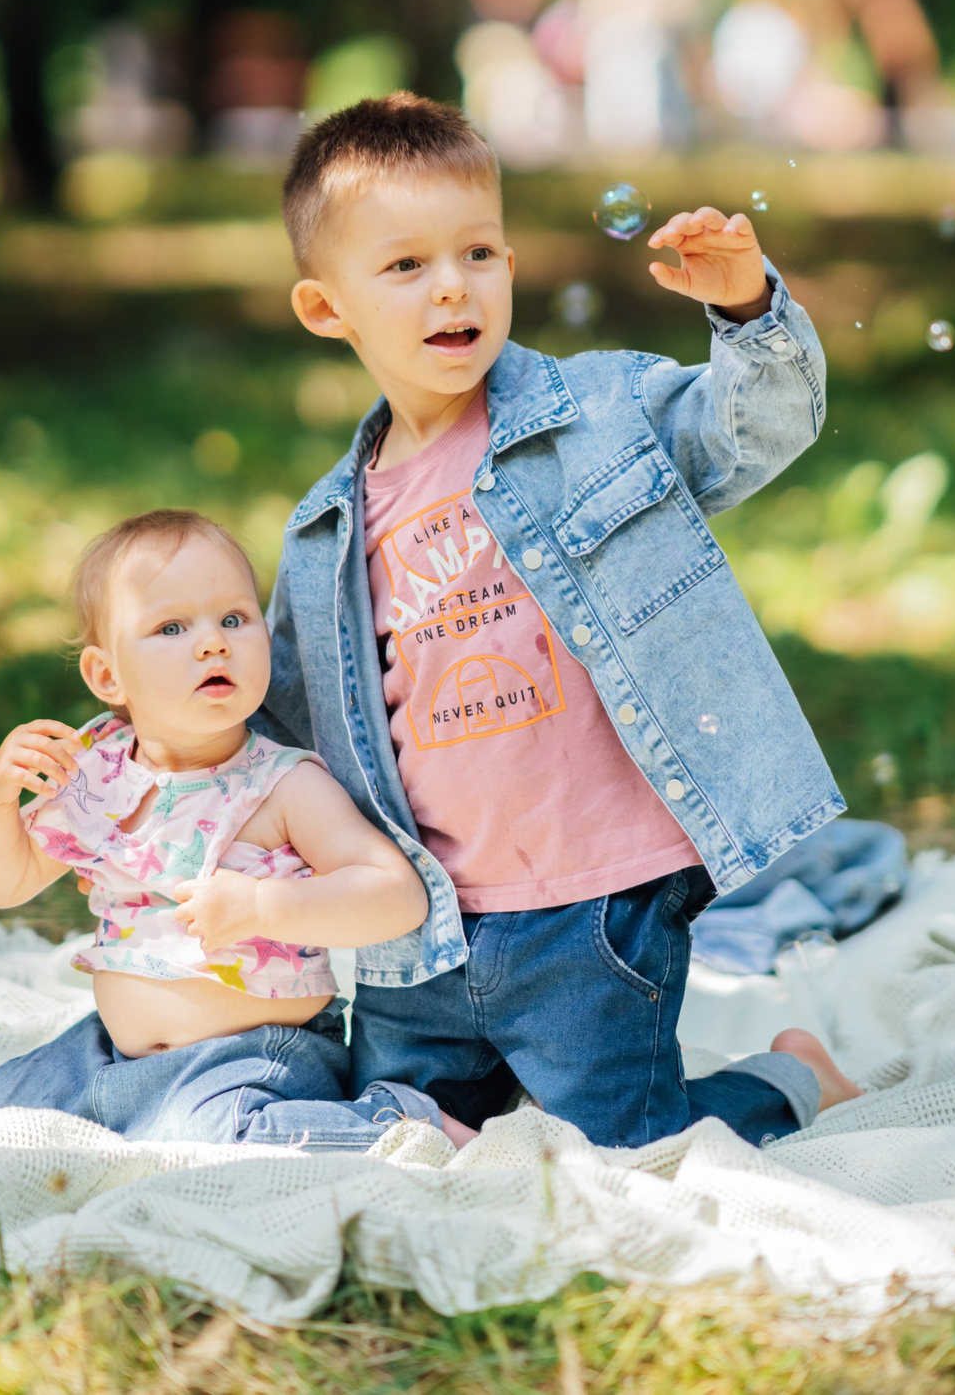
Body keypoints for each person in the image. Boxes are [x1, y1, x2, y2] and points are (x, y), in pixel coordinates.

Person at [259, 92, 864, 1148]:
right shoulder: (326, 531)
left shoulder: (600, 417)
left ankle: (792, 1077)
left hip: (597, 902)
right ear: (326, 309)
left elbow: (756, 427)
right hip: (424, 929)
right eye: (404, 267)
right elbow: (280, 734)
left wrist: (746, 311)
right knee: (396, 1135)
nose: (453, 284)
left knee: (627, 1147)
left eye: (478, 251)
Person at [0, 509, 473, 1149]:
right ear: (108, 675)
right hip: (114, 1052)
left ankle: (394, 1121)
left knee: (230, 1143)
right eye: (172, 627)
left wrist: (264, 906)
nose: (212, 642)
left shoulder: (283, 784)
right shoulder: (98, 769)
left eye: (234, 618)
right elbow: (4, 883)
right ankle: (131, 1115)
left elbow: (396, 896)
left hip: (250, 1058)